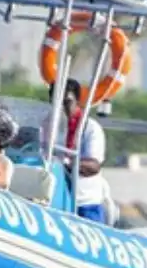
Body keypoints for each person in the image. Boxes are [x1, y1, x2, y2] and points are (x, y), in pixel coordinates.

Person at [40, 79, 107, 223]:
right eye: (57, 103)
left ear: (77, 101)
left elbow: (94, 166)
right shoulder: (47, 124)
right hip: (57, 198)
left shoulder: (90, 128)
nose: (62, 108)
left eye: (67, 102)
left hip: (84, 203)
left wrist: (66, 163)